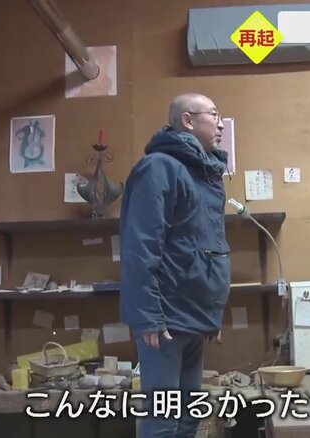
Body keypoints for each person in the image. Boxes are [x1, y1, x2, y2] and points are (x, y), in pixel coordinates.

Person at [119, 93, 230, 437]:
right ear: (187, 120)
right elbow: (140, 246)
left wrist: (211, 310)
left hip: (192, 313)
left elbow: (207, 245)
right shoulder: (159, 168)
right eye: (214, 115)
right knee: (163, 420)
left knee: (188, 417)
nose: (221, 124)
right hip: (165, 317)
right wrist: (148, 316)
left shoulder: (204, 173)